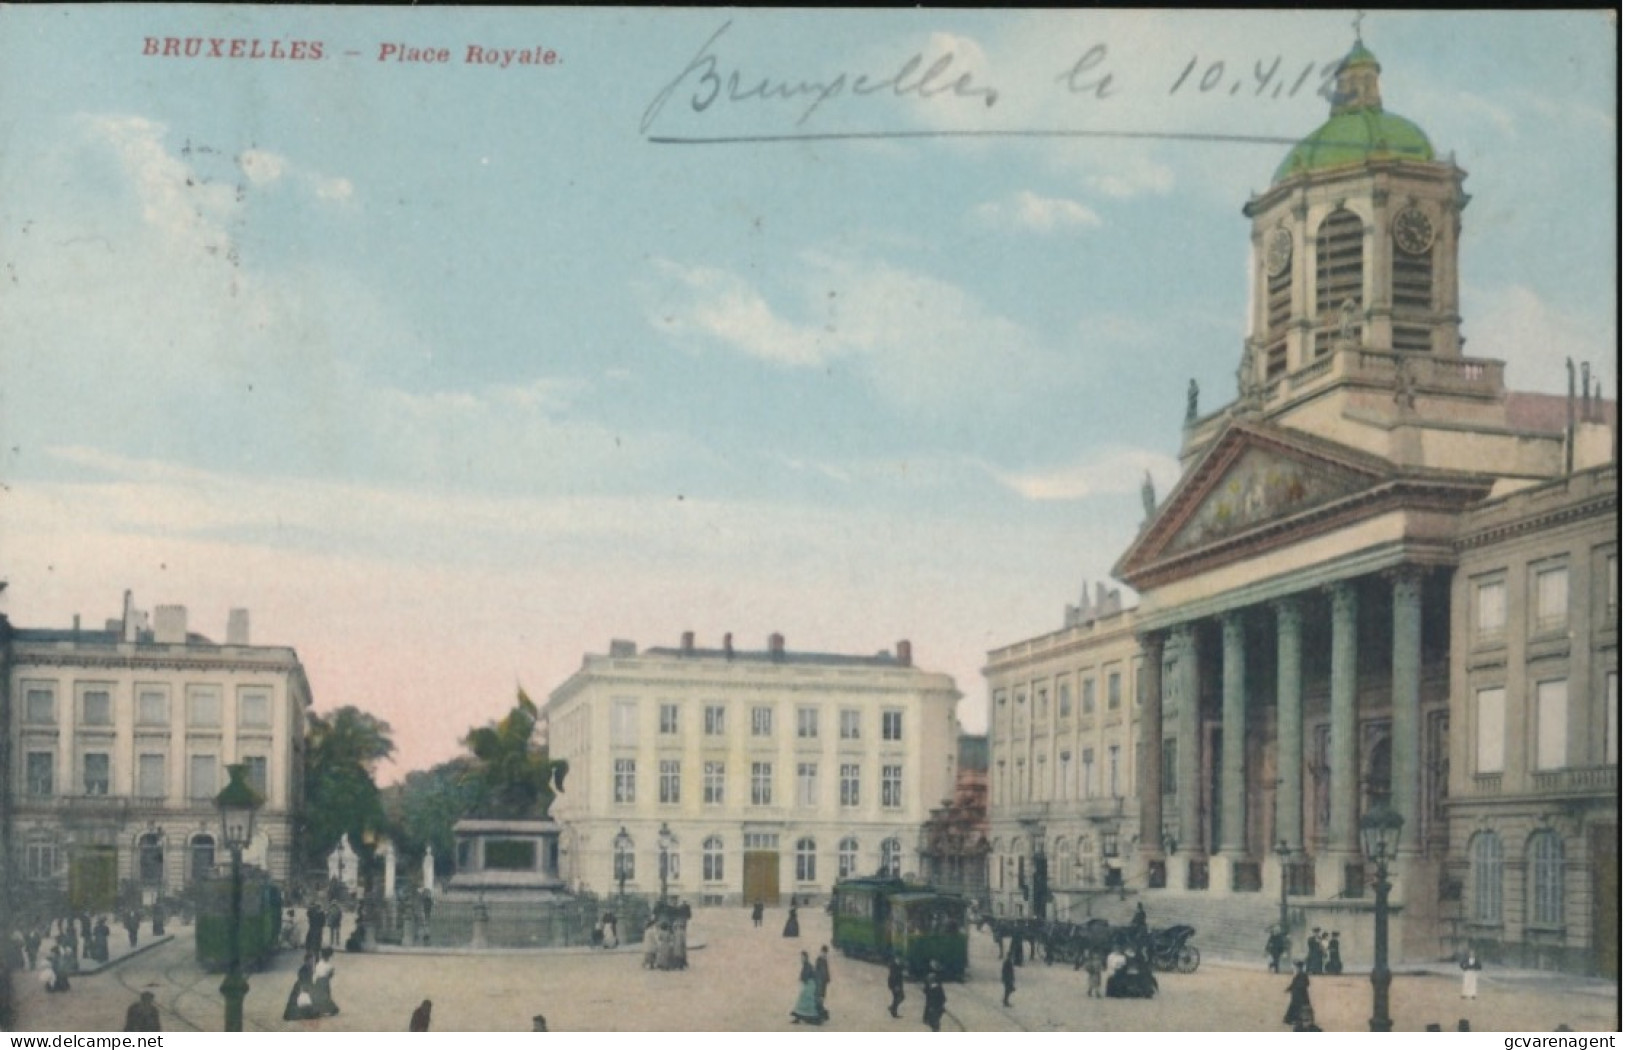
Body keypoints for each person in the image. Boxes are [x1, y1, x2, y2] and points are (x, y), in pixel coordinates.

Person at [790, 951, 823, 1025]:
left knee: (806, 1000)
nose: (801, 959)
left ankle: (810, 1017)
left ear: (806, 958)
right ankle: (799, 1017)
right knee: (803, 1000)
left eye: (803, 957)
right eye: (801, 957)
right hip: (808, 985)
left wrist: (802, 979)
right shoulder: (806, 965)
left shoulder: (808, 965)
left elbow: (807, 975)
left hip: (810, 985)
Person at [1284, 961, 1312, 1027]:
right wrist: (1289, 989)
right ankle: (1292, 1019)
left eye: (1296, 967)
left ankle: (1292, 1019)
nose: (1295, 969)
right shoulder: (1298, 974)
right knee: (1297, 1006)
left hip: (1300, 994)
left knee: (1298, 1007)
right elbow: (1294, 984)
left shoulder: (1303, 974)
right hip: (1298, 994)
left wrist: (1297, 987)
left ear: (1299, 968)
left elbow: (1306, 984)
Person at [312, 948, 339, 1016]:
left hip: (319, 980)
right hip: (324, 980)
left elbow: (316, 972)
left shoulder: (319, 963)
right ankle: (329, 1009)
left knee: (320, 995)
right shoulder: (329, 965)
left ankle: (321, 1009)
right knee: (324, 996)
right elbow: (330, 975)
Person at [922, 962, 947, 1032]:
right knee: (935, 1023)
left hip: (934, 1006)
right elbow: (943, 998)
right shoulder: (937, 986)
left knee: (935, 1022)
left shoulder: (936, 986)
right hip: (935, 1006)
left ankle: (929, 1021)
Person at [814, 944, 832, 1021]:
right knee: (819, 994)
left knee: (822, 994)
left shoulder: (824, 960)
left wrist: (828, 978)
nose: (824, 954)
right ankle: (819, 1008)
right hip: (819, 980)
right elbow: (817, 970)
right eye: (823, 952)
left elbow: (826, 970)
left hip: (823, 981)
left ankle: (820, 1007)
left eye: (825, 953)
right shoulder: (819, 960)